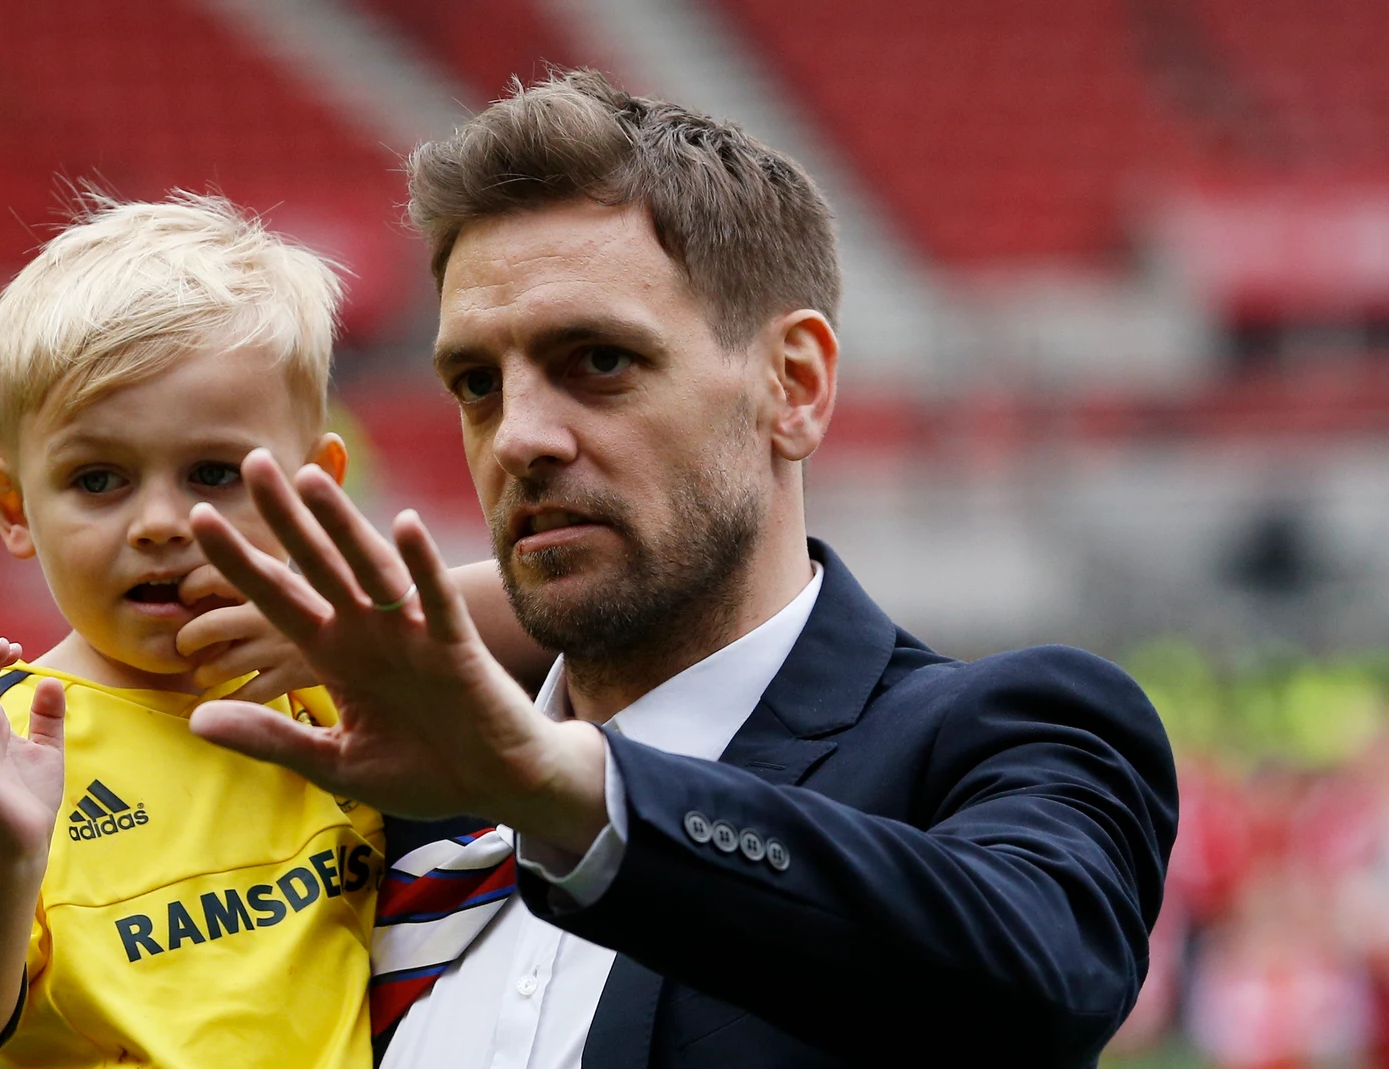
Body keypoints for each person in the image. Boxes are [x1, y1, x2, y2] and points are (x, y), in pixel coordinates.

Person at [183, 70, 1181, 1067]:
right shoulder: (392, 781)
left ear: (793, 385)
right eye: (476, 383)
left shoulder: (990, 735)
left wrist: (576, 794)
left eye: (599, 361)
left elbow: (1043, 975)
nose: (517, 437)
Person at [0, 194, 526, 1069]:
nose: (161, 522)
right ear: (13, 507)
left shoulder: (350, 689)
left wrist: (364, 627)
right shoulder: (11, 743)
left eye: (212, 472)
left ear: (315, 484)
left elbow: (577, 625)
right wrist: (8, 866)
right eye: (99, 479)